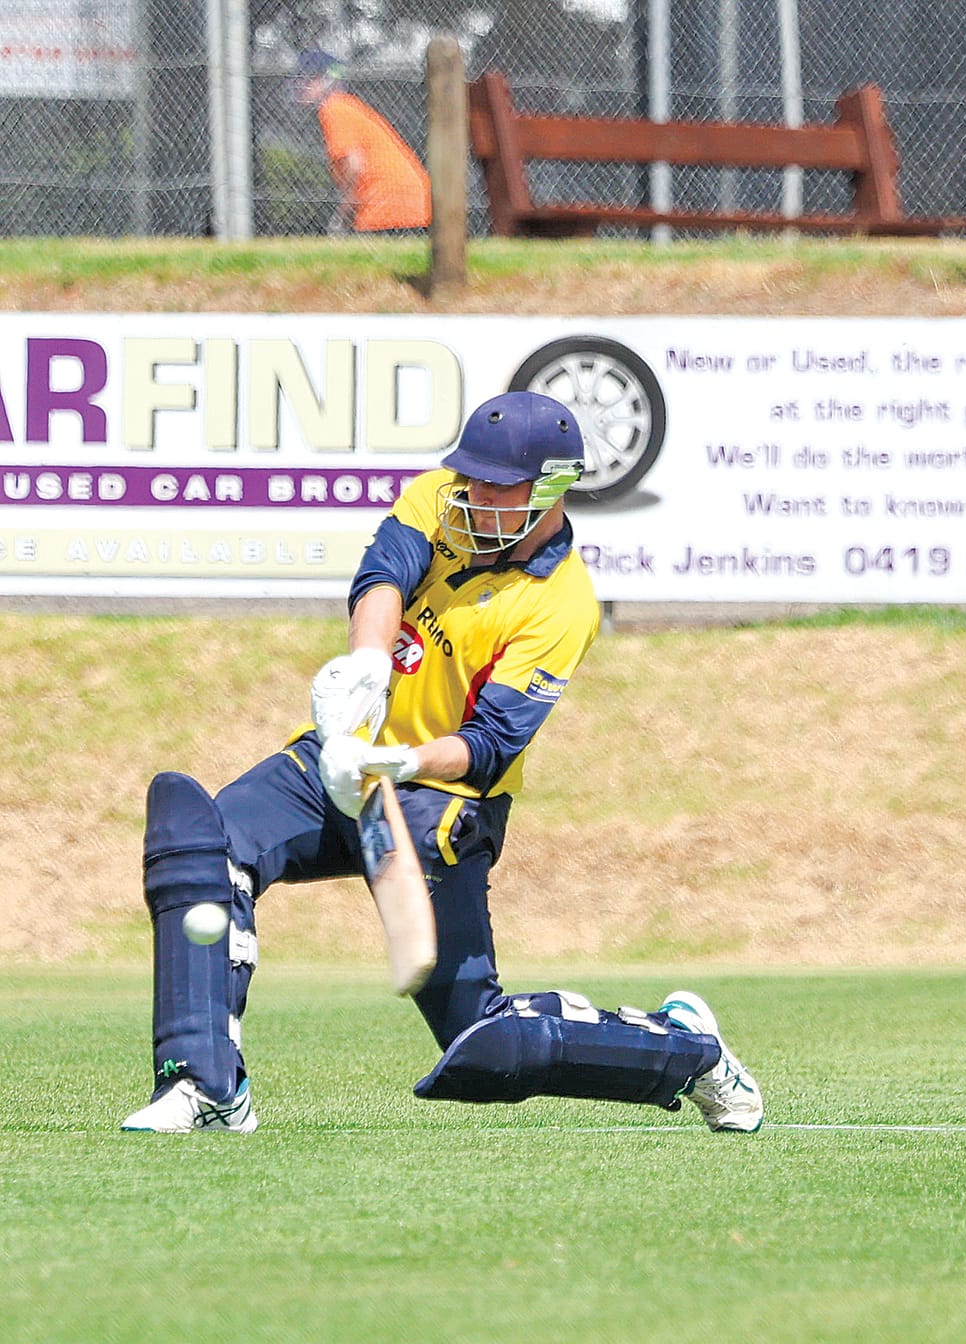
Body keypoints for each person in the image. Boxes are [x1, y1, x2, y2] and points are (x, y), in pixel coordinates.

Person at [121, 391, 762, 1134]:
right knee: (202, 843)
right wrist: (366, 670)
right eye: (472, 478)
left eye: (499, 486)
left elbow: (489, 747)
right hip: (337, 762)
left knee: (487, 1047)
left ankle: (691, 1050)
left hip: (438, 802)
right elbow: (383, 576)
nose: (476, 495)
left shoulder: (561, 606)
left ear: (552, 488)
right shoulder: (439, 496)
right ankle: (207, 1087)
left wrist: (396, 760)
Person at [290, 49, 431, 234]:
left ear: (326, 80)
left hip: (390, 211)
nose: (299, 85)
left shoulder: (334, 108)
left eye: (307, 79)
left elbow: (354, 165)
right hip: (409, 208)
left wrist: (343, 215)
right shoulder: (346, 106)